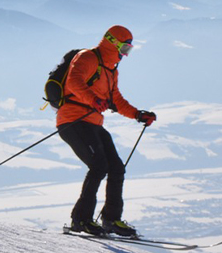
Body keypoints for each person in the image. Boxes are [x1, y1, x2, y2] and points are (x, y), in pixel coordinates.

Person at [58, 25, 156, 238]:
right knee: (99, 166)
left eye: (128, 50)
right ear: (112, 42)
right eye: (124, 48)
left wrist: (138, 114)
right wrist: (93, 99)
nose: (125, 54)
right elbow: (73, 82)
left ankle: (111, 219)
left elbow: (116, 101)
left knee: (116, 168)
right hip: (73, 120)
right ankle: (80, 220)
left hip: (93, 123)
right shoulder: (88, 58)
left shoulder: (111, 70)